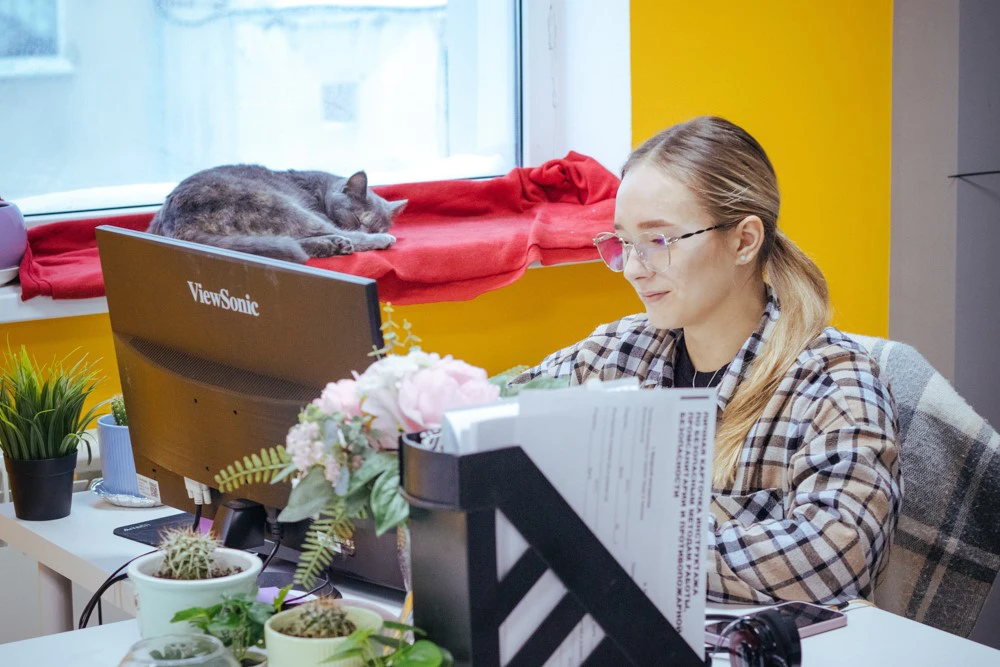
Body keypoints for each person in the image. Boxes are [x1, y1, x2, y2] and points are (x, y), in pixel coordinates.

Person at [512, 116, 901, 604]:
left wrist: (626, 548)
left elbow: (837, 557)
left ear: (744, 241)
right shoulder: (617, 353)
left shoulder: (834, 385)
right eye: (624, 244)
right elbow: (495, 415)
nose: (632, 270)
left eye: (658, 241)